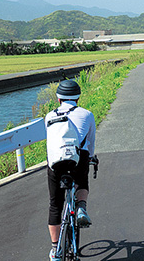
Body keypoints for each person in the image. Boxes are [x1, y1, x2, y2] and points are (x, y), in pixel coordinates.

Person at [45, 79, 96, 261]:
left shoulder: (49, 116)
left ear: (58, 99)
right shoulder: (87, 115)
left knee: (55, 205)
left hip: (56, 162)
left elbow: (51, 142)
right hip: (77, 159)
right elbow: (90, 144)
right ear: (78, 97)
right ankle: (81, 208)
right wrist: (90, 158)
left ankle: (55, 251)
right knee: (82, 181)